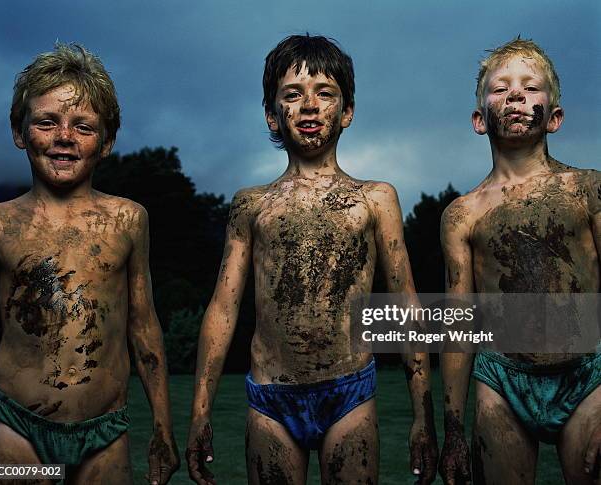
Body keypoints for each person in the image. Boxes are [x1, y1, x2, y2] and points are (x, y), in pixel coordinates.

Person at [186, 34, 438, 485]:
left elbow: (405, 304)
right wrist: (200, 410)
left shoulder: (375, 199)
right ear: (271, 113)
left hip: (350, 392)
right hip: (271, 398)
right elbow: (223, 308)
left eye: (324, 94)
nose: (308, 106)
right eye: (292, 95)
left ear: (347, 112)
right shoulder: (251, 205)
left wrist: (423, 414)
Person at [0, 44, 179, 484]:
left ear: (107, 141)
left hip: (104, 431)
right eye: (46, 122)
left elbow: (144, 326)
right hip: (16, 424)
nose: (64, 137)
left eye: (83, 126)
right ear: (20, 132)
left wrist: (163, 427)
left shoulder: (128, 219)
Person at [439, 38, 600, 484]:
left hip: (588, 374)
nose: (515, 95)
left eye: (530, 87)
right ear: (478, 119)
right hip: (501, 381)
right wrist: (453, 430)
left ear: (555, 118)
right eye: (501, 88)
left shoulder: (586, 190)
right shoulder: (462, 214)